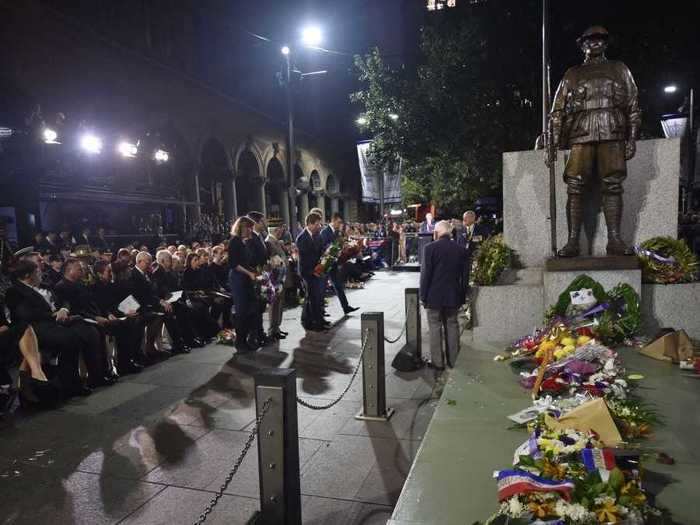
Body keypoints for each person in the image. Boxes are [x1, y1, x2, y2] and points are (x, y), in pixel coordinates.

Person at [546, 26, 640, 257]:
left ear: (605, 44)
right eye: (589, 41)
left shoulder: (619, 69)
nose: (594, 44)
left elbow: (633, 105)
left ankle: (615, 240)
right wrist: (553, 142)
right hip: (581, 133)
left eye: (599, 40)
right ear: (582, 45)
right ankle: (572, 242)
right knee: (575, 186)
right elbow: (557, 111)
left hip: (612, 131)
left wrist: (632, 137)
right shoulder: (572, 74)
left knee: (613, 184)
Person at [6, 260, 92, 397]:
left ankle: (74, 382)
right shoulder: (14, 291)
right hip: (34, 329)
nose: (41, 274)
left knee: (84, 332)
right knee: (71, 338)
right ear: (28, 275)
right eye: (37, 272)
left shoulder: (45, 286)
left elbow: (63, 301)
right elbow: (25, 314)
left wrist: (63, 309)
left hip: (53, 323)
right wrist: (53, 315)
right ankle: (69, 384)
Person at [420, 220, 469, 370]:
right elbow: (465, 277)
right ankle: (454, 361)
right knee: (452, 326)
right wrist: (461, 297)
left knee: (434, 328)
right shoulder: (461, 250)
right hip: (453, 297)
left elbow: (425, 275)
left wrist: (423, 296)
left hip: (433, 297)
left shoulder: (429, 248)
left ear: (436, 233)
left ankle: (437, 362)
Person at [228, 216, 258, 353]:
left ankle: (246, 339)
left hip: (246, 277)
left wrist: (253, 272)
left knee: (250, 310)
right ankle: (240, 342)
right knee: (241, 311)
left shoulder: (243, 242)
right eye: (249, 227)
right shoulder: (234, 242)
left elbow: (247, 262)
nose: (250, 230)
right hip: (238, 279)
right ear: (241, 227)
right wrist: (249, 273)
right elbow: (234, 264)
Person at [320, 213, 359, 315]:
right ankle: (320, 311)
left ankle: (346, 307)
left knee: (338, 285)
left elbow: (338, 245)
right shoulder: (325, 232)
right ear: (333, 220)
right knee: (321, 288)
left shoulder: (337, 232)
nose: (340, 224)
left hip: (333, 263)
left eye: (341, 222)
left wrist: (344, 247)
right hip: (325, 263)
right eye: (338, 222)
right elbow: (324, 247)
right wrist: (335, 248)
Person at [246, 211, 272, 347]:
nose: (265, 223)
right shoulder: (250, 239)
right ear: (255, 223)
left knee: (260, 306)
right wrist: (264, 262)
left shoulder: (260, 236)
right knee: (255, 308)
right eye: (263, 221)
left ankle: (260, 334)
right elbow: (250, 259)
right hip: (254, 276)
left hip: (261, 275)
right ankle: (254, 337)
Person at [297, 212, 326, 331]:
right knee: (313, 296)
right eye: (318, 224)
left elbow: (321, 251)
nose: (320, 227)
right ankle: (316, 323)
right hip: (307, 272)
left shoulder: (318, 236)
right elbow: (305, 259)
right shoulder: (301, 238)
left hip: (317, 270)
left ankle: (308, 320)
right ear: (309, 224)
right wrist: (312, 271)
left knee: (316, 296)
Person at [265, 220, 289, 340]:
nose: (282, 231)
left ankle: (277, 328)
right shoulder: (269, 242)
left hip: (281, 278)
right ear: (276, 229)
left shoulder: (277, 242)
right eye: (281, 229)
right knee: (273, 305)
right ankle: (272, 330)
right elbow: (270, 262)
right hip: (274, 279)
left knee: (279, 304)